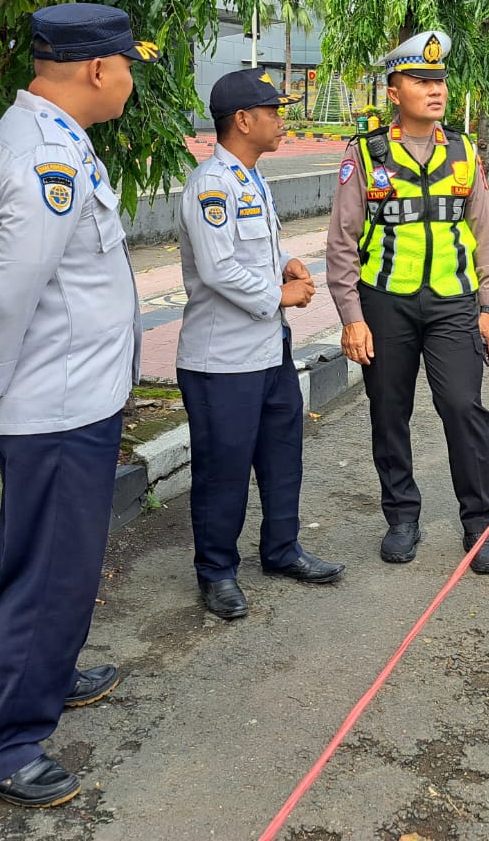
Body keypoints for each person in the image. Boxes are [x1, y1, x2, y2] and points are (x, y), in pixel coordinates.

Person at [0, 3, 156, 809]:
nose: (132, 79)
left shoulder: (56, 140)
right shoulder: (44, 157)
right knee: (48, 577)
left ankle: (52, 677)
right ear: (98, 69)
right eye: (129, 65)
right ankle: (1, 749)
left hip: (76, 396)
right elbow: (10, 287)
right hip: (56, 406)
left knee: (67, 568)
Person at [325, 30, 489, 574]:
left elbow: (484, 232)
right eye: (422, 80)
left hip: (454, 302)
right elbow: (341, 241)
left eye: (440, 80)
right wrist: (351, 317)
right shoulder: (365, 155)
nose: (435, 90)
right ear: (394, 90)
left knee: (462, 408)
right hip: (387, 305)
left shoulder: (464, 152)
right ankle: (401, 517)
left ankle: (480, 525)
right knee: (389, 412)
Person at [176, 69, 345, 620]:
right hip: (221, 359)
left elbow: (251, 253)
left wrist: (284, 263)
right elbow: (219, 269)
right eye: (272, 112)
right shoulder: (211, 185)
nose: (281, 120)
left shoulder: (251, 179)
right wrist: (281, 293)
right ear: (242, 120)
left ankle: (281, 549)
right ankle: (217, 571)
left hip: (268, 352)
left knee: (281, 456)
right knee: (223, 468)